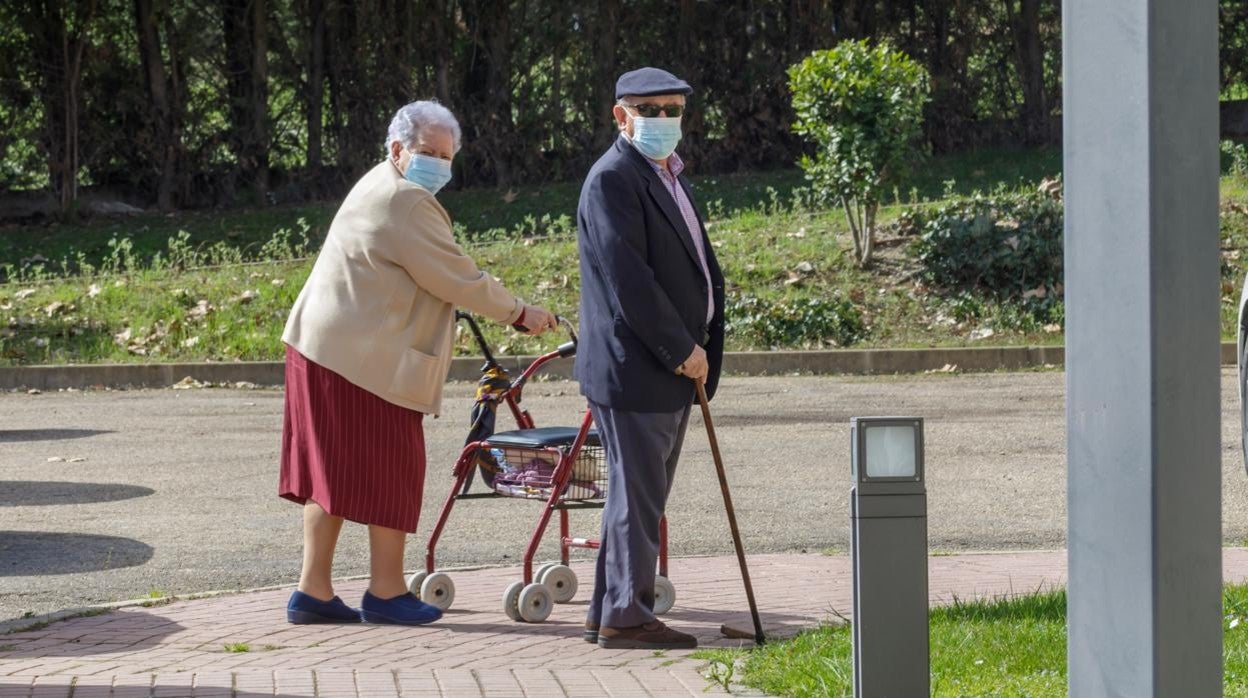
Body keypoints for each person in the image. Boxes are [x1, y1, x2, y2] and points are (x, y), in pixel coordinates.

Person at [278, 100, 556, 626]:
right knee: (391, 469)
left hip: (325, 348)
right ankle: (385, 593)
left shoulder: (380, 182)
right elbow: (454, 276)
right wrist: (520, 313)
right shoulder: (407, 200)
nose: (438, 164)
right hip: (361, 360)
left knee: (330, 473)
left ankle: (313, 590)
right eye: (428, 152)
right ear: (397, 149)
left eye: (446, 156)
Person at [574, 67, 726, 649]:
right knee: (638, 500)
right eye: (650, 109)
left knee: (635, 498)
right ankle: (627, 617)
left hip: (668, 369)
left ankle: (608, 609)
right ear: (621, 115)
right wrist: (681, 349)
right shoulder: (614, 178)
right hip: (641, 368)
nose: (663, 119)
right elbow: (630, 282)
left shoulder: (665, 174)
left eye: (672, 109)